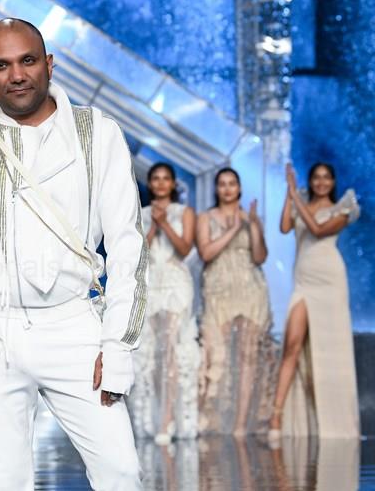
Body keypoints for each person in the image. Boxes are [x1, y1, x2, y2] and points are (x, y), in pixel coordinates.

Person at [0, 18, 147, 490]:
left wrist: (117, 344)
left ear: (49, 63)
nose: (17, 75)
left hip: (74, 326)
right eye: (1, 66)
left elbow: (128, 245)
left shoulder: (99, 133)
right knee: (5, 481)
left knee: (121, 472)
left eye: (27, 60)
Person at [268, 162, 360, 438]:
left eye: (326, 177)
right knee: (292, 343)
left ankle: (331, 416)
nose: (321, 182)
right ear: (310, 181)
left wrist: (296, 197)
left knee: (329, 349)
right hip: (304, 282)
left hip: (330, 281)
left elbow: (318, 230)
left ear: (333, 182)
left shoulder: (343, 208)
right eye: (316, 178)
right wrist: (290, 193)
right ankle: (276, 415)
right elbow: (284, 226)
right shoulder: (300, 202)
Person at [196, 167, 275, 436]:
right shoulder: (205, 218)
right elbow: (206, 253)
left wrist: (252, 225)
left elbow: (260, 256)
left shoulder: (251, 218)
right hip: (219, 289)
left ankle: (241, 424)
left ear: (239, 188)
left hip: (250, 289)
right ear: (216, 188)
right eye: (222, 184)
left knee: (248, 356)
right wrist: (233, 231)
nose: (227, 188)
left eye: (232, 183)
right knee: (216, 355)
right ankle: (214, 421)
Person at [129, 162, 199, 444]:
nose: (160, 183)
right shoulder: (140, 214)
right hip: (151, 282)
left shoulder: (185, 213)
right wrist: (153, 227)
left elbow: (185, 248)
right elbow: (137, 253)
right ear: (150, 183)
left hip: (176, 283)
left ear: (173, 184)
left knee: (170, 347)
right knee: (154, 352)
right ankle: (158, 413)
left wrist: (165, 224)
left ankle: (168, 418)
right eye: (155, 178)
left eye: (165, 178)